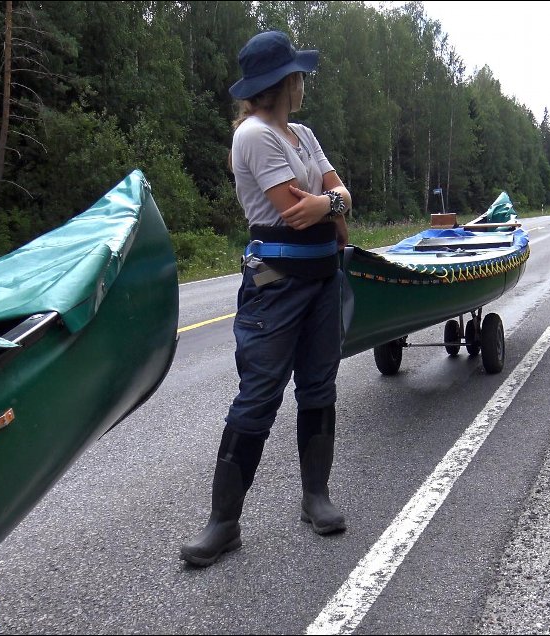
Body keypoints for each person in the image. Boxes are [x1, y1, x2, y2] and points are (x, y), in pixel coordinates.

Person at [180, 30, 352, 568]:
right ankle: (223, 524)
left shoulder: (302, 134)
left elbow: (338, 196)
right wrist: (334, 205)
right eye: (299, 75)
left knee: (319, 384)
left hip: (324, 279)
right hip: (274, 286)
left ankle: (315, 497)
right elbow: (294, 208)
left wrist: (331, 203)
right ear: (285, 82)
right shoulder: (253, 135)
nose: (304, 83)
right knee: (257, 396)